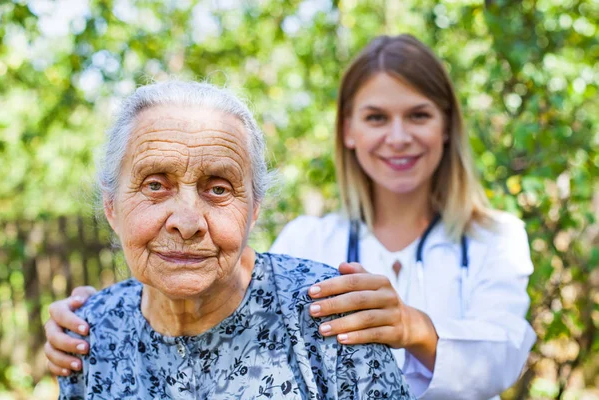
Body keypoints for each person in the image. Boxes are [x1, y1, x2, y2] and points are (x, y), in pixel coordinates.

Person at [46, 35, 536, 399]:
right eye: (376, 118)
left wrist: (413, 328)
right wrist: (102, 311)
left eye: (419, 115)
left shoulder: (495, 236)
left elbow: (507, 352)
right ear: (348, 130)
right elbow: (224, 280)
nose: (398, 136)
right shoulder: (309, 235)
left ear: (448, 126)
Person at [55, 80, 415, 399]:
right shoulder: (88, 334)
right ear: (112, 207)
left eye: (218, 188)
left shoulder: (333, 322)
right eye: (155, 185)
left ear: (254, 209)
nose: (187, 222)